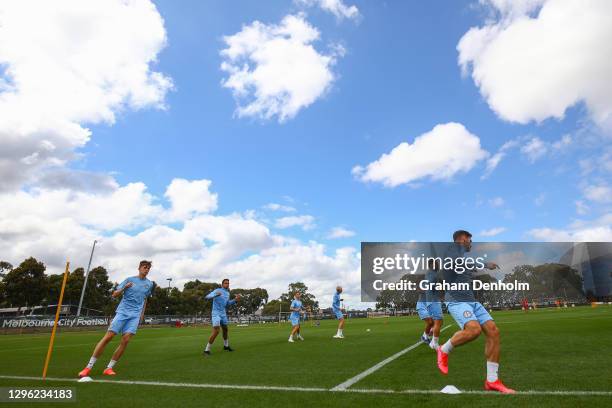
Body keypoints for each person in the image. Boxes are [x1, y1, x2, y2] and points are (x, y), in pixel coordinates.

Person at [436, 230, 515, 393]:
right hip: (457, 301)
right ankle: (443, 349)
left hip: (471, 301)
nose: (471, 243)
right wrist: (485, 264)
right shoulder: (450, 253)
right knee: (474, 330)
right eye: (469, 240)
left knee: (494, 332)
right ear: (461, 239)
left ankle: (492, 381)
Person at [78, 260, 155, 377]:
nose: (147, 269)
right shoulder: (129, 279)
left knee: (126, 340)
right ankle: (88, 367)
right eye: (145, 267)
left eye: (148, 268)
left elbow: (145, 299)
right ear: (139, 268)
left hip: (135, 315)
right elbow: (114, 294)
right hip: (122, 312)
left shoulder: (149, 284)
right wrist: (124, 288)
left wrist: (142, 314)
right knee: (108, 337)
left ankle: (109, 368)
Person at [203, 279, 241, 355]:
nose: (227, 284)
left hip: (223, 313)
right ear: (222, 284)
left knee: (225, 329)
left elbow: (227, 304)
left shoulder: (227, 293)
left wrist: (235, 300)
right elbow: (207, 297)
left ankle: (226, 346)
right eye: (226, 283)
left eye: (228, 283)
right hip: (216, 313)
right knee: (217, 331)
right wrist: (215, 295)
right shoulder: (217, 290)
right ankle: (207, 350)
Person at [416, 262, 443, 349]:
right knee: (431, 322)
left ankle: (426, 336)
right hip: (421, 305)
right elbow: (419, 290)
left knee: (437, 322)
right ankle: (425, 337)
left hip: (429, 304)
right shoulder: (427, 280)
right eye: (436, 264)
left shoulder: (434, 278)